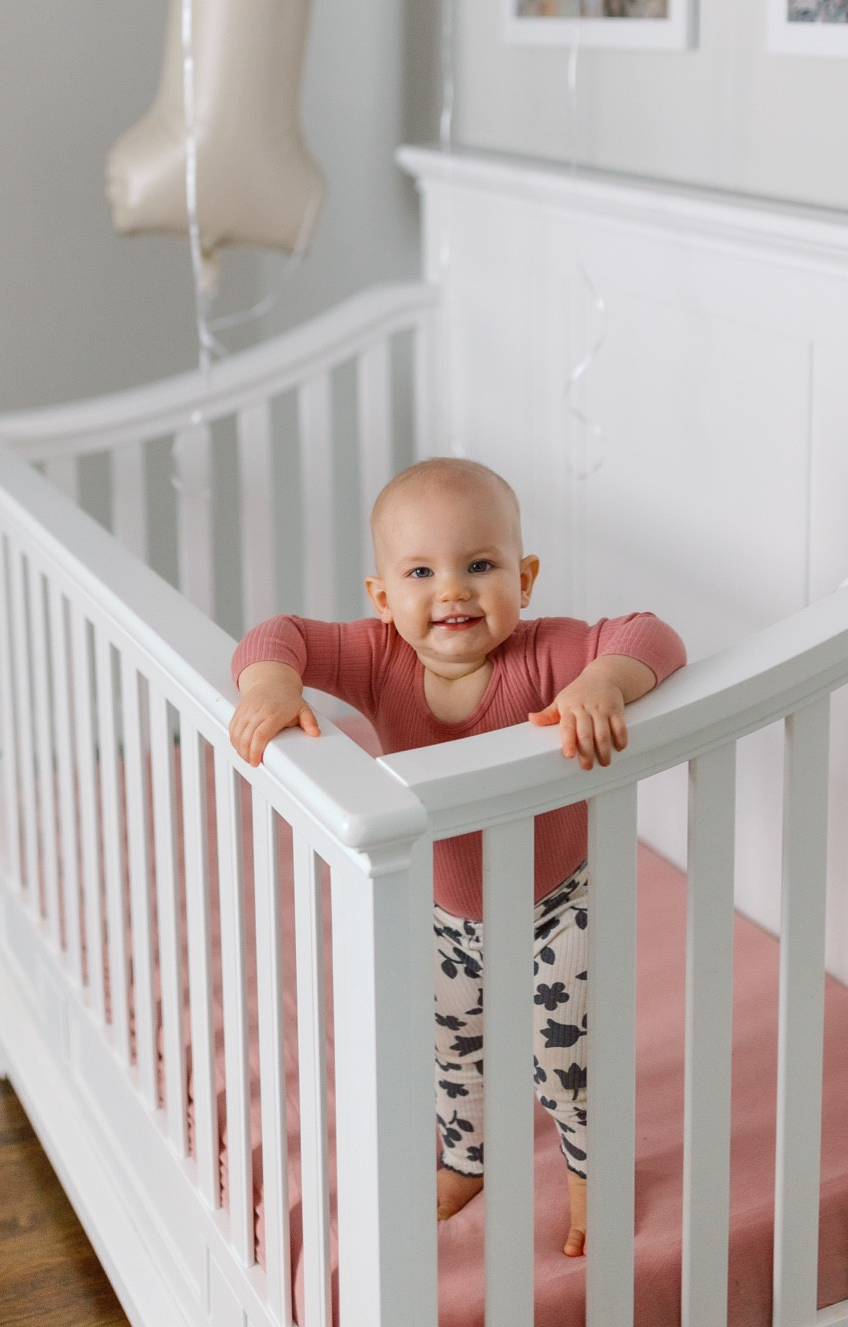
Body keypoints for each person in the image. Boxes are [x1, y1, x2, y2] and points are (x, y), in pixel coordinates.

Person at [229, 456, 686, 1258]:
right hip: (446, 913)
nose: (452, 591)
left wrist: (606, 682)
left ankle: (591, 1174)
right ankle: (465, 1158)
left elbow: (652, 634)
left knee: (566, 1051)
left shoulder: (548, 654)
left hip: (557, 904)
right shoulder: (378, 659)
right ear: (381, 599)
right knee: (451, 1048)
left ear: (525, 577)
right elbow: (280, 635)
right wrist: (268, 685)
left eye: (481, 565)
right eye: (420, 571)